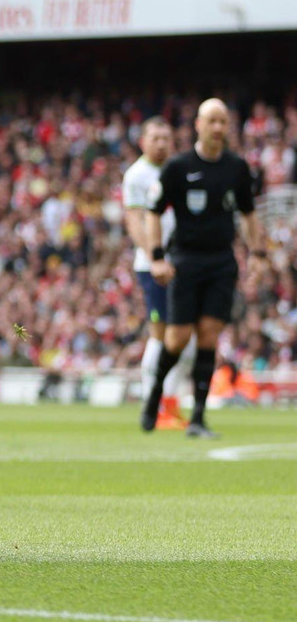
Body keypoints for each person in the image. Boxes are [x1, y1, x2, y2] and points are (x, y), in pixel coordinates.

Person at [142, 98, 264, 438]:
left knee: (209, 335)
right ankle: (154, 393)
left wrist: (257, 253)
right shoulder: (178, 167)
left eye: (223, 121)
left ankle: (197, 417)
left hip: (222, 261)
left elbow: (249, 214)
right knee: (178, 338)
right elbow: (153, 212)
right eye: (211, 120)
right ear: (197, 124)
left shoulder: (237, 168)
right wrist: (156, 256)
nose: (218, 128)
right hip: (185, 260)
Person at [122, 116, 191, 430]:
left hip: (182, 261)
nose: (163, 143)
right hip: (154, 266)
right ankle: (155, 403)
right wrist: (155, 258)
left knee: (182, 337)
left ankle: (169, 404)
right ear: (143, 142)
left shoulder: (176, 169)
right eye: (156, 138)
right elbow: (135, 221)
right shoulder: (137, 175)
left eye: (167, 137)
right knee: (162, 334)